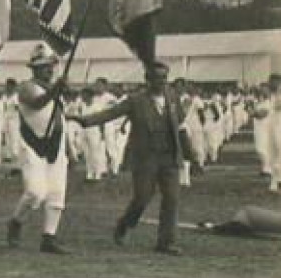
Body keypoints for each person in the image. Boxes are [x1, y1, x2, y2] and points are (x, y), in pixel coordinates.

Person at [72, 60, 195, 255]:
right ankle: (125, 224)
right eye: (157, 78)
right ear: (148, 80)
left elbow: (179, 122)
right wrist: (86, 121)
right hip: (145, 157)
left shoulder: (172, 97)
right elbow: (111, 113)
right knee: (142, 198)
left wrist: (189, 152)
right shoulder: (136, 100)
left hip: (168, 156)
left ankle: (166, 242)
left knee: (172, 199)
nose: (162, 82)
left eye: (164, 78)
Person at [6, 44, 71, 254]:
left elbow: (60, 120)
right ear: (34, 69)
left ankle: (49, 237)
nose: (49, 70)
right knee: (35, 192)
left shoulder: (56, 91)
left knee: (57, 194)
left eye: (51, 66)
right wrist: (55, 90)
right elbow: (36, 103)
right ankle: (16, 221)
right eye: (44, 67)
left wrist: (69, 149)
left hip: (55, 145)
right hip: (33, 144)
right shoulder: (26, 87)